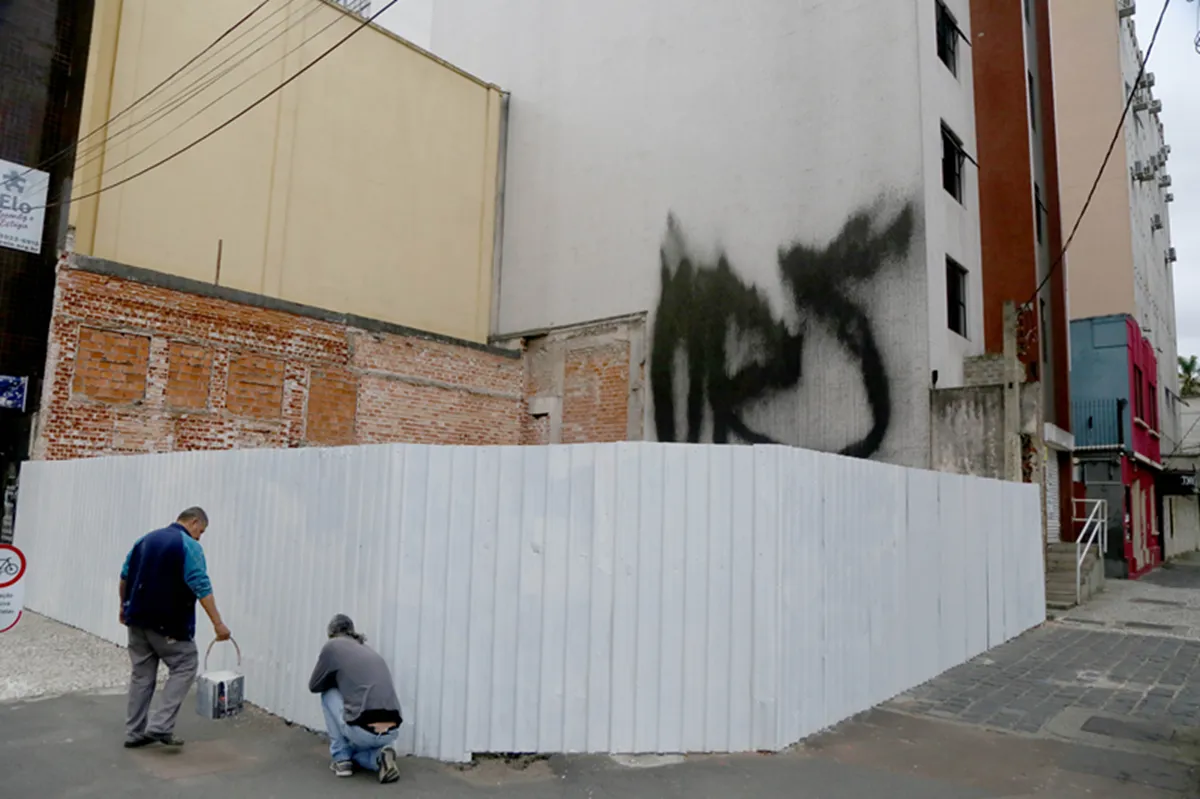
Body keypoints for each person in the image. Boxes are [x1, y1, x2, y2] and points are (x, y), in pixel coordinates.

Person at [119, 507, 231, 749]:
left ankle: (134, 732)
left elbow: (125, 575)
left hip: (137, 620)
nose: (200, 536)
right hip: (167, 623)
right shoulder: (188, 545)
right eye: (200, 531)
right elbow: (201, 585)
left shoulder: (145, 539)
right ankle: (160, 725)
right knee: (185, 664)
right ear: (193, 522)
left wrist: (123, 608)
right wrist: (218, 624)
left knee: (141, 674)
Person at [308, 614, 403, 783]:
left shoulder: (332, 646)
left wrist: (333, 679)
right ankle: (379, 758)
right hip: (392, 730)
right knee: (358, 755)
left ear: (331, 633)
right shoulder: (367, 649)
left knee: (328, 693)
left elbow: (314, 685)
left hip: (362, 729)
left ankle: (341, 759)